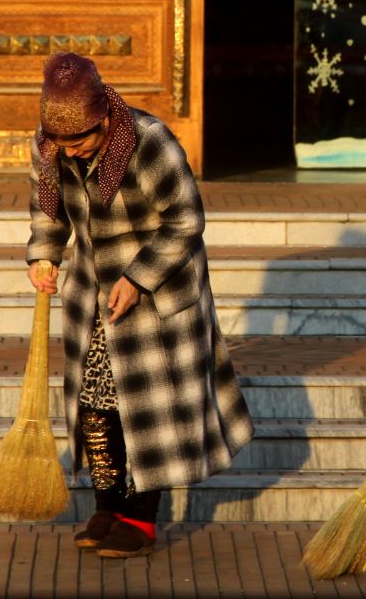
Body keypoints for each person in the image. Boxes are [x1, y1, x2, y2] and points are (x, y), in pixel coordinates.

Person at [25, 52, 253, 559]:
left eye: (79, 141)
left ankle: (139, 516)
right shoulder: (49, 147)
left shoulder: (150, 142)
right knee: (94, 403)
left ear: (105, 118)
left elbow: (186, 220)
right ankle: (107, 504)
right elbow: (48, 211)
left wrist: (139, 276)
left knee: (146, 408)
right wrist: (44, 255)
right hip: (93, 294)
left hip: (159, 293)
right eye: (59, 143)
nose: (68, 152)